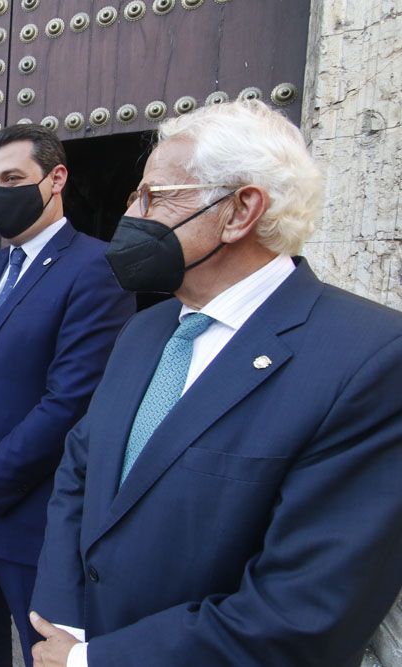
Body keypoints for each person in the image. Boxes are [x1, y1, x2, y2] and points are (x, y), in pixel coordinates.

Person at [29, 100, 402, 667]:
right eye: (136, 195)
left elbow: (305, 610)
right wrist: (62, 621)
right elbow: (81, 468)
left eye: (155, 196)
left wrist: (97, 660)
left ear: (240, 210)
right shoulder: (144, 329)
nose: (133, 214)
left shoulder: (370, 358)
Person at [0, 125, 135, 666]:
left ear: (55, 178)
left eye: (12, 178)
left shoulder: (98, 268)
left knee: (43, 651)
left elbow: (71, 404)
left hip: (30, 516)